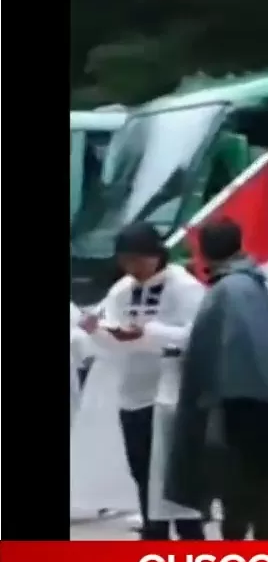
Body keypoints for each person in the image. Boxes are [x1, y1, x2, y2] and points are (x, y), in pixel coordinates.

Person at [164, 217, 268, 542]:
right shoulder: (246, 283)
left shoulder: (232, 289)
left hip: (240, 403)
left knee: (239, 479)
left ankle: (241, 549)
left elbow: (230, 349)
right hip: (256, 399)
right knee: (254, 481)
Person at [73, 223, 209, 539]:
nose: (131, 267)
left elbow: (197, 335)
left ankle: (191, 537)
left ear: (155, 255)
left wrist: (149, 332)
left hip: (173, 394)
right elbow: (106, 340)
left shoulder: (184, 288)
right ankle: (154, 533)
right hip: (133, 393)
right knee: (142, 470)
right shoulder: (121, 291)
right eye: (125, 261)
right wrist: (98, 330)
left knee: (177, 473)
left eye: (137, 260)